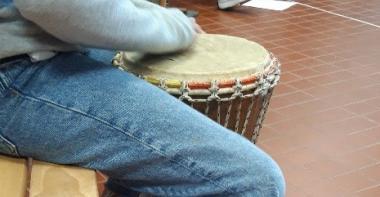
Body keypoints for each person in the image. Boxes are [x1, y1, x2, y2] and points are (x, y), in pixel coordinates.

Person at [0, 0, 285, 196]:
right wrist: (177, 28)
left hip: (38, 43)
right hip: (13, 70)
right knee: (251, 183)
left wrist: (160, 15)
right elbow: (56, 6)